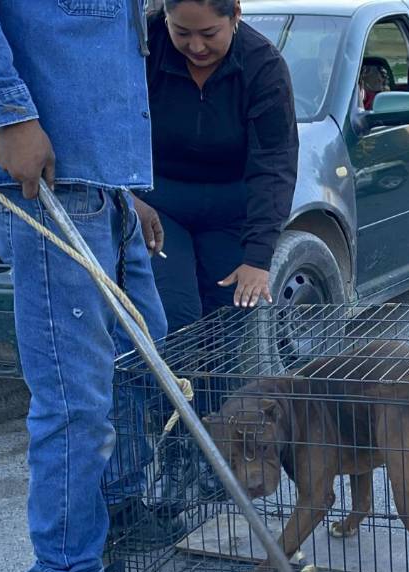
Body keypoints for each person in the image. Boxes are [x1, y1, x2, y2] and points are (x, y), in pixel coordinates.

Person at [0, 1, 176, 572]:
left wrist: (125, 179)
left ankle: (116, 509)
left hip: (100, 176)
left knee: (141, 349)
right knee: (73, 391)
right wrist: (9, 112)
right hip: (46, 178)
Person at [141, 0, 299, 333]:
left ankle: (217, 387)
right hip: (158, 206)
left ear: (235, 15)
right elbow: (111, 125)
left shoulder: (264, 66)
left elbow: (274, 164)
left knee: (228, 321)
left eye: (209, 33)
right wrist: (127, 198)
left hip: (231, 210)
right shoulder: (144, 47)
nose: (195, 46)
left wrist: (258, 259)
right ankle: (170, 385)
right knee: (174, 315)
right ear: (164, 18)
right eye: (181, 32)